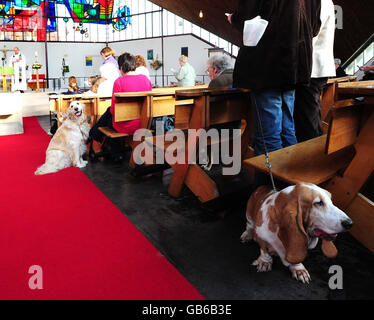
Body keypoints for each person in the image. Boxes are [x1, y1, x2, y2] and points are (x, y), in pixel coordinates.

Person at [228, 0, 321, 186]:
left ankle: (270, 195)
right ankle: (291, 189)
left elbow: (248, 16)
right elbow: (315, 27)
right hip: (296, 62)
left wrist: (234, 19)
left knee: (268, 136)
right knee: (287, 131)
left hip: (268, 62)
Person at [88, 53, 152, 162]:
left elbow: (114, 111)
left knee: (109, 113)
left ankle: (96, 138)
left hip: (125, 125)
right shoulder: (145, 79)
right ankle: (109, 147)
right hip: (144, 122)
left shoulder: (119, 82)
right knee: (109, 113)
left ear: (121, 68)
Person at [294, 0, 336, 142]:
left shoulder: (316, 1)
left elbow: (308, 34)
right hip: (314, 66)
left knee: (307, 121)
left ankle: (309, 158)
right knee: (308, 116)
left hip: (311, 67)